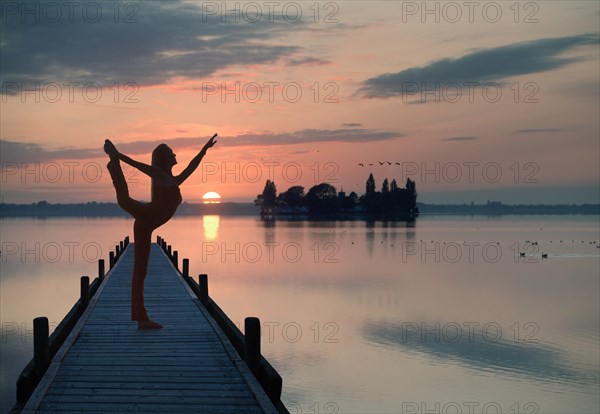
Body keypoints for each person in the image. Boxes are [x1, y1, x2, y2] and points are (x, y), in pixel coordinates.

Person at [104, 134, 217, 329]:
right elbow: (138, 165)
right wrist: (117, 156)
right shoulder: (160, 175)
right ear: (165, 158)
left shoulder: (172, 179)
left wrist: (204, 150)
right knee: (124, 201)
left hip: (147, 222)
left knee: (141, 270)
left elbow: (191, 166)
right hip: (147, 216)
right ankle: (113, 162)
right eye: (172, 153)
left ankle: (142, 319)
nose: (175, 155)